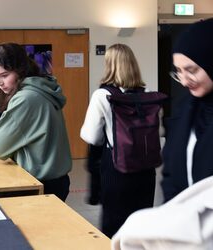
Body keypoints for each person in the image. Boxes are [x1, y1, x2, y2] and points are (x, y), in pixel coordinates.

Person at [80, 44, 156, 238]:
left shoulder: (103, 95)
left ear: (109, 65)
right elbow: (159, 131)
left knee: (114, 224)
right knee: (142, 222)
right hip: (146, 169)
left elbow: (91, 137)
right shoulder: (148, 94)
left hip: (116, 167)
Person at [0, 43, 72, 201]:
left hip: (40, 184)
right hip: (56, 181)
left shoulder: (26, 98)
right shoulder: (43, 89)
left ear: (20, 71)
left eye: (4, 75)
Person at [162, 18, 213, 202]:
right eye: (179, 71)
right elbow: (170, 174)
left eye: (191, 70)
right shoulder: (185, 108)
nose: (184, 81)